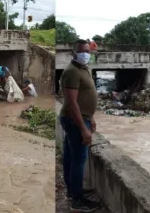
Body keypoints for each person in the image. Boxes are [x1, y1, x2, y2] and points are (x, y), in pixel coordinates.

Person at [59, 39, 100, 212]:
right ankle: (77, 199)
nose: (86, 54)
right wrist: (83, 127)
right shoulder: (72, 72)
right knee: (79, 160)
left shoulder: (83, 69)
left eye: (88, 51)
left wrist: (91, 117)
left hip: (82, 118)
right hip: (75, 120)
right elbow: (71, 103)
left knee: (70, 156)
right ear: (74, 53)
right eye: (82, 51)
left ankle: (73, 191)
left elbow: (85, 97)